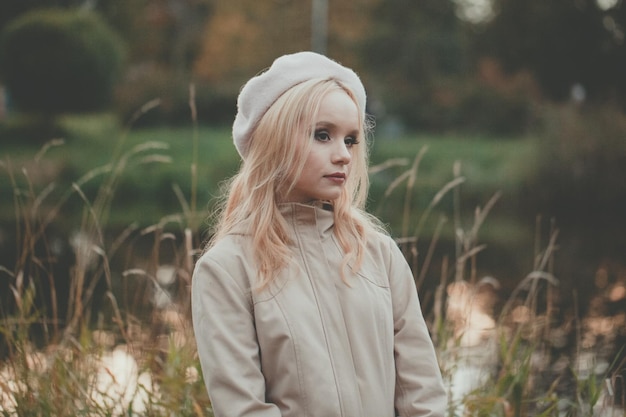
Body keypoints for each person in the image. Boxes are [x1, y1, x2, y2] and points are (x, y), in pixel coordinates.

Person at [191, 51, 447, 417]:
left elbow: (423, 394)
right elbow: (243, 409)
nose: (343, 154)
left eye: (351, 140)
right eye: (323, 135)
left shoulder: (379, 254)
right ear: (274, 141)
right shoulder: (226, 270)